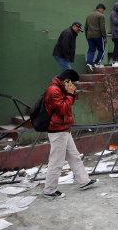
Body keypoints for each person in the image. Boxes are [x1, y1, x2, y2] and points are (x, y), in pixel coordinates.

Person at [44, 69, 99, 198]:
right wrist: (69, 94)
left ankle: (84, 181)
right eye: (72, 83)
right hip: (57, 130)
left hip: (64, 129)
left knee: (74, 157)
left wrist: (71, 94)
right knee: (56, 161)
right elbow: (62, 109)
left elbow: (68, 105)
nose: (73, 85)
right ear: (66, 80)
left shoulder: (60, 88)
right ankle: (49, 190)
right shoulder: (53, 90)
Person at [85, 3, 107, 72]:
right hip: (98, 35)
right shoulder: (101, 16)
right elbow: (102, 27)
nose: (103, 12)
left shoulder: (89, 16)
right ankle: (97, 63)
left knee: (91, 50)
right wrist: (104, 37)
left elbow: (85, 27)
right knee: (101, 50)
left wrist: (87, 37)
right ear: (100, 9)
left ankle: (89, 63)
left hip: (89, 36)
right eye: (103, 10)